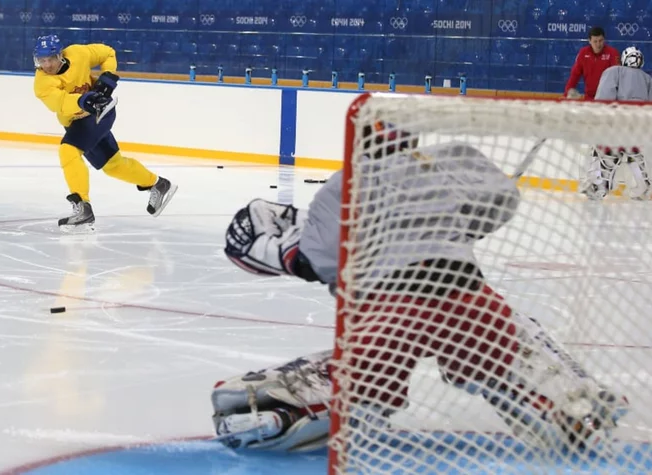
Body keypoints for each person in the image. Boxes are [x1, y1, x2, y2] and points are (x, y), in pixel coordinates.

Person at [212, 123, 628, 454]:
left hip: (390, 313)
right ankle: (566, 405)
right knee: (510, 335)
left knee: (361, 389)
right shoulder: (447, 162)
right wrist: (451, 228)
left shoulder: (343, 186)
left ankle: (286, 412)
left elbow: (321, 260)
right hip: (470, 300)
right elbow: (501, 201)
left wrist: (299, 257)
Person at [32, 35, 177, 232]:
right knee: (113, 165)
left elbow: (108, 53)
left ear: (61, 55)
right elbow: (60, 102)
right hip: (78, 122)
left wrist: (107, 77)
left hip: (101, 113)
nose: (46, 65)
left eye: (50, 59)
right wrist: (85, 100)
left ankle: (82, 206)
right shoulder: (42, 83)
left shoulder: (78, 53)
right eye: (42, 61)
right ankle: (158, 184)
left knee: (68, 150)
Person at [580, 46, 652, 200]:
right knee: (633, 153)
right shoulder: (648, 78)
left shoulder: (615, 71)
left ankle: (599, 186)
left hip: (617, 123)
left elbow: (604, 97)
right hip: (637, 124)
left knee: (601, 151)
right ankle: (642, 186)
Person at [564, 26, 620, 100]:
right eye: (595, 41)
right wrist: (567, 93)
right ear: (589, 41)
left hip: (608, 99)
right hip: (589, 98)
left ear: (604, 40)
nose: (598, 44)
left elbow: (619, 77)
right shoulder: (583, 53)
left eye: (600, 41)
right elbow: (575, 75)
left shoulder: (613, 53)